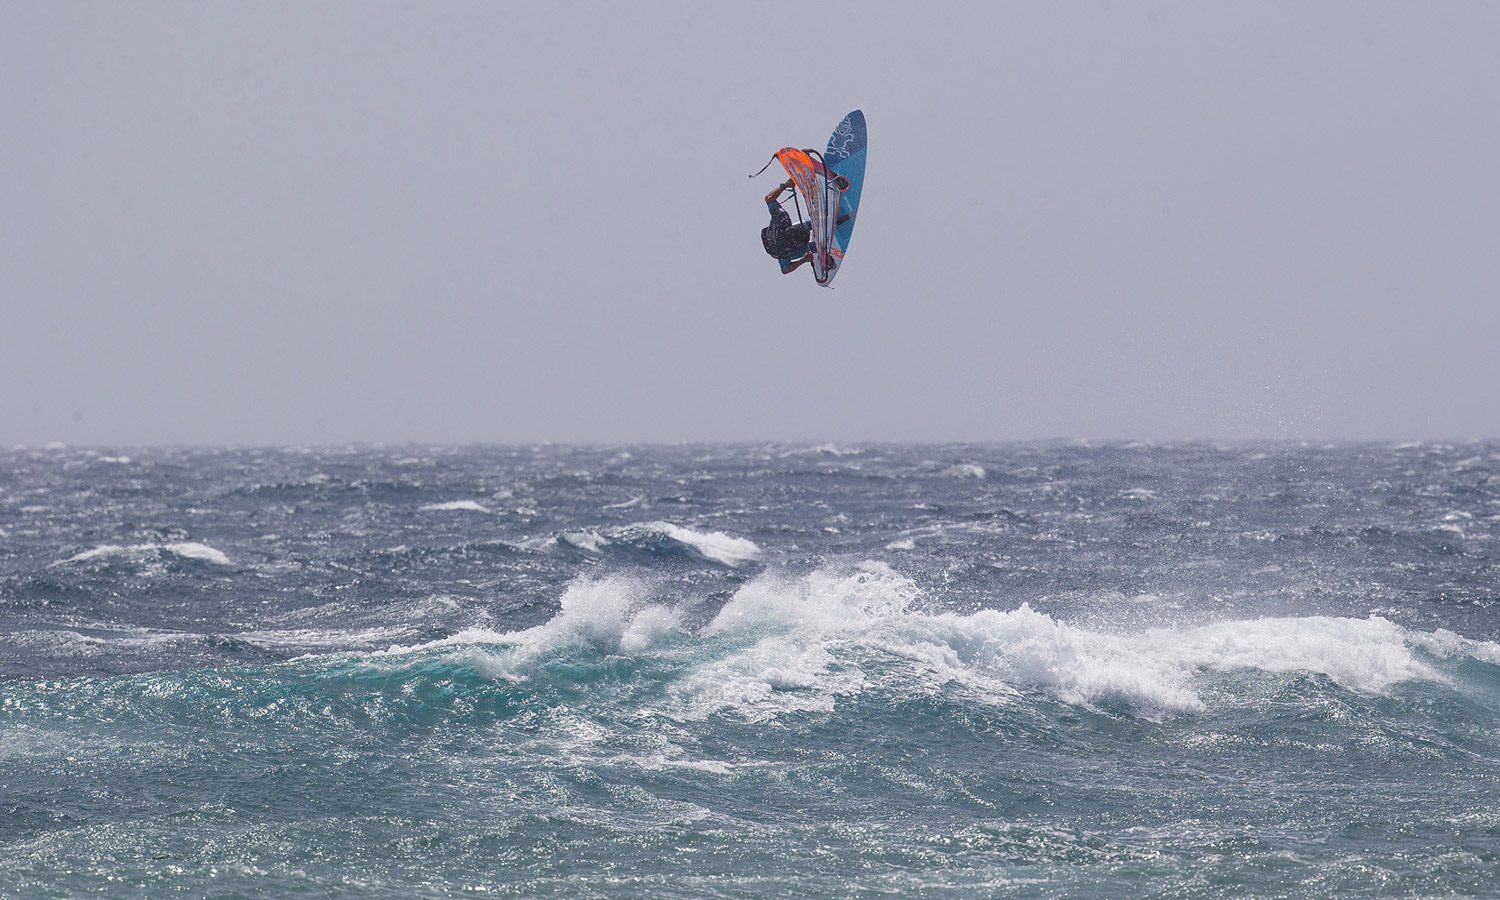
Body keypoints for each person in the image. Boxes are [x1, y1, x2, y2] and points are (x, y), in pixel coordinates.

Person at [761, 178, 814, 274]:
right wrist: (803, 260)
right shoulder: (784, 251)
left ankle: (822, 220)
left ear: (792, 227)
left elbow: (769, 198)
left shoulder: (782, 218)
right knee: (813, 248)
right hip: (774, 250)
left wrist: (785, 185)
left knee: (811, 223)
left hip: (777, 232)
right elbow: (784, 269)